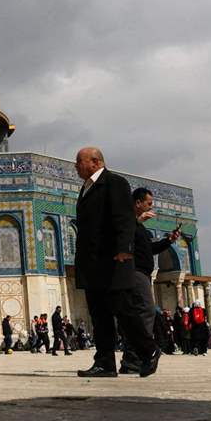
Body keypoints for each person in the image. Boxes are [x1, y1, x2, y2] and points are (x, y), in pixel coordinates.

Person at [73, 147, 169, 379]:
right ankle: (105, 363)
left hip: (112, 262)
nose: (75, 166)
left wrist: (125, 250)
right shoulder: (86, 188)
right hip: (93, 263)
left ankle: (149, 350)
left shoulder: (114, 182)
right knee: (100, 315)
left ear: (95, 162)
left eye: (79, 161)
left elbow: (124, 219)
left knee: (123, 310)